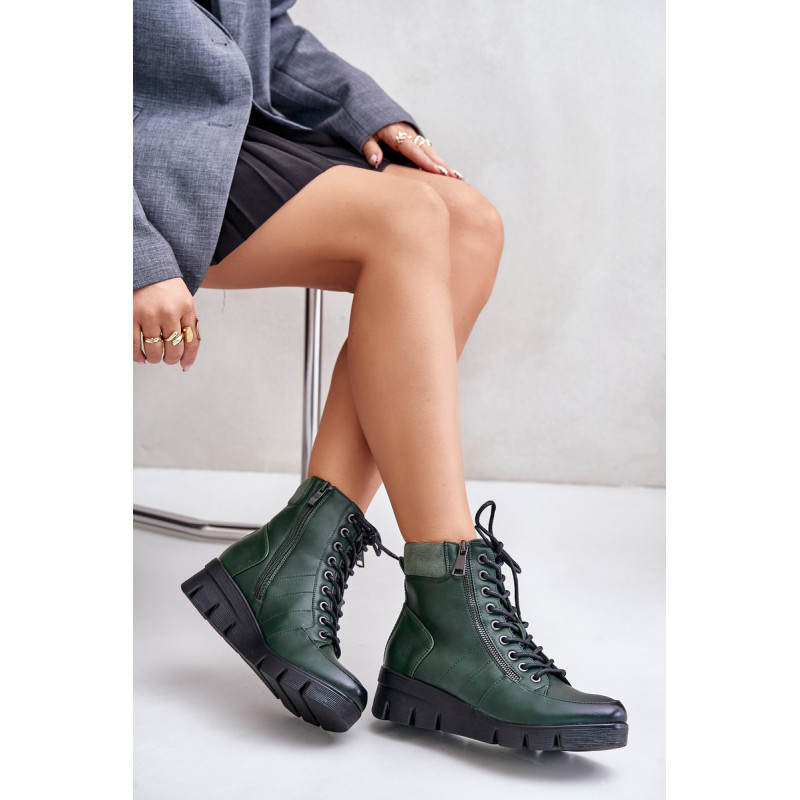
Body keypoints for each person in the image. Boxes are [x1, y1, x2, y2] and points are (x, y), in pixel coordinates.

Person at [134, 0, 628, 751]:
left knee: (470, 222)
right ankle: (447, 609)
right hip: (134, 159)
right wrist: (134, 254)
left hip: (230, 133)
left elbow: (262, 28)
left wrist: (365, 111)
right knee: (405, 218)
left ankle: (296, 560)